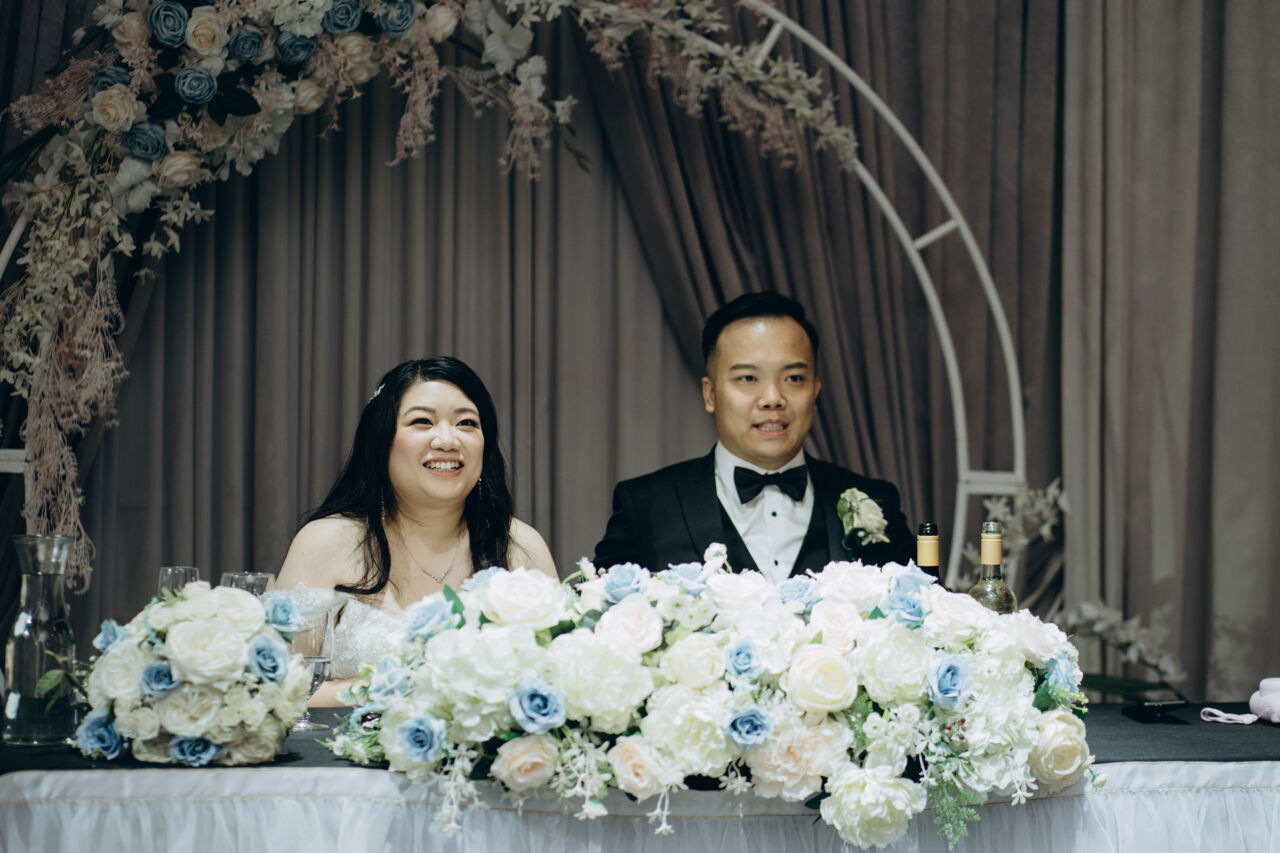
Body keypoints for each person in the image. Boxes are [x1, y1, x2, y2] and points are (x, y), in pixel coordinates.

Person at [276, 357, 557, 705]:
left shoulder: (520, 546)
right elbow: (275, 690)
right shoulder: (326, 542)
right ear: (381, 440)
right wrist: (392, 689)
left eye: (467, 423)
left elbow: (555, 684)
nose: (447, 440)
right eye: (422, 421)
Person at [593, 292, 913, 581]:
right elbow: (598, 618)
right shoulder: (645, 507)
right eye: (748, 378)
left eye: (793, 378)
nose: (773, 398)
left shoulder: (876, 501)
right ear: (710, 394)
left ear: (815, 391)